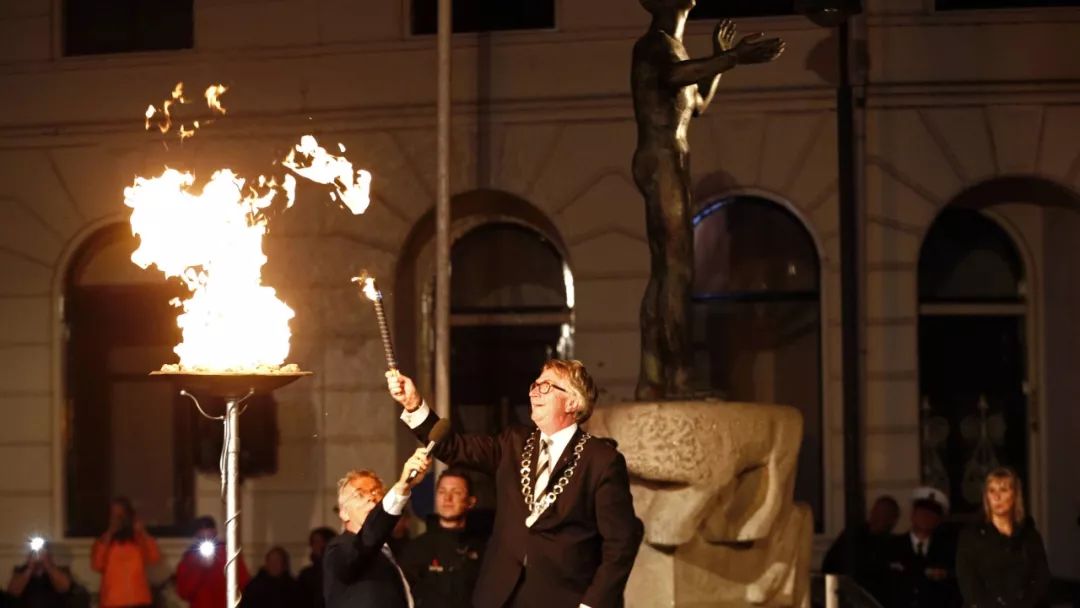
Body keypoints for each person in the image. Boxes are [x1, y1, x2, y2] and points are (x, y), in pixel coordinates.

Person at [389, 359, 644, 608]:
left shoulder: (601, 460)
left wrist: (592, 604)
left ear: (573, 401)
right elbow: (454, 447)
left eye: (546, 386)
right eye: (535, 384)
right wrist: (413, 404)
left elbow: (620, 544)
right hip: (498, 596)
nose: (534, 392)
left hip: (563, 598)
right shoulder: (514, 442)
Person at [630, 0, 784, 399]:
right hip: (661, 158)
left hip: (671, 158)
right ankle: (678, 376)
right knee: (677, 271)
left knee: (666, 271)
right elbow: (675, 76)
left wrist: (720, 60)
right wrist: (730, 58)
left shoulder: (673, 45)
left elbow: (697, 102)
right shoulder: (653, 45)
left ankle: (651, 378)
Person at [323, 448, 432, 608]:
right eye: (360, 494)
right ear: (344, 513)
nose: (371, 497)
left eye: (376, 492)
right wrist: (402, 486)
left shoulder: (395, 552)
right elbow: (367, 540)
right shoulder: (339, 549)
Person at [956, 468, 1050, 608]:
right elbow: (968, 584)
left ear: (1015, 495)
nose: (997, 497)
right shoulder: (971, 536)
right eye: (991, 491)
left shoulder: (1029, 536)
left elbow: (1041, 579)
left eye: (1003, 490)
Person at [400, 469, 487, 608]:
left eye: (456, 492)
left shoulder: (484, 549)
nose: (447, 498)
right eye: (442, 492)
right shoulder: (416, 549)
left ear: (471, 502)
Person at [884, 487, 960, 608]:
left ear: (938, 520)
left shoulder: (947, 552)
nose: (926, 517)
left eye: (932, 513)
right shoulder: (891, 548)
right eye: (922, 512)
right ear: (913, 514)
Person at [822, 495, 900, 603]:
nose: (878, 516)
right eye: (876, 512)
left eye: (884, 514)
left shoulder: (895, 545)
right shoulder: (851, 537)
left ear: (893, 520)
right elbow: (830, 567)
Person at [90, 497, 161, 608]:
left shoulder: (138, 538)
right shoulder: (104, 540)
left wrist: (143, 532)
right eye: (114, 516)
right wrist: (109, 534)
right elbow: (97, 565)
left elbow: (154, 557)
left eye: (120, 516)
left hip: (138, 599)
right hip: (112, 601)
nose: (117, 520)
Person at [175, 516, 251, 608]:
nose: (206, 540)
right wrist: (200, 569)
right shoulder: (188, 559)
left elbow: (244, 585)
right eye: (202, 538)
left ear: (215, 533)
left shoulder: (229, 554)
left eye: (210, 537)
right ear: (196, 537)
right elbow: (184, 593)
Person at [6, 542, 74, 608]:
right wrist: (30, 568)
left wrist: (47, 565)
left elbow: (64, 588)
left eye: (42, 551)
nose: (38, 554)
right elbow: (12, 592)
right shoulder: (22, 571)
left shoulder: (59, 570)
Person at [298, 528, 336, 608]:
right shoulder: (306, 575)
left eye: (319, 542)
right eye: (314, 542)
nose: (316, 546)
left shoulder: (338, 570)